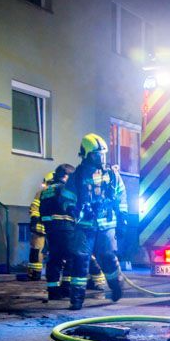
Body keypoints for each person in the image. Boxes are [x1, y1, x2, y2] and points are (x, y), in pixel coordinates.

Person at [62, 133, 128, 311]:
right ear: (86, 155)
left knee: (108, 258)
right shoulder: (77, 176)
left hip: (106, 226)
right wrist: (71, 208)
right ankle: (76, 299)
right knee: (80, 261)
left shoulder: (112, 174)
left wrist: (123, 219)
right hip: (84, 226)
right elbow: (67, 197)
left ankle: (117, 288)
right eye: (97, 155)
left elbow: (121, 197)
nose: (101, 158)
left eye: (103, 154)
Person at [39, 164, 75, 300]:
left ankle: (53, 291)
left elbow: (42, 210)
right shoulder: (64, 189)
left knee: (55, 259)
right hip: (65, 228)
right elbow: (71, 209)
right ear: (66, 176)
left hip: (51, 230)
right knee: (71, 258)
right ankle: (66, 288)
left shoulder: (46, 190)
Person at [27, 173, 54, 281]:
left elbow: (34, 208)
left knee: (38, 250)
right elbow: (35, 208)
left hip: (48, 228)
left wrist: (35, 219)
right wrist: (35, 219)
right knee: (37, 250)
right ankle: (36, 273)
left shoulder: (44, 193)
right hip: (47, 228)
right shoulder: (42, 193)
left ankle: (36, 273)